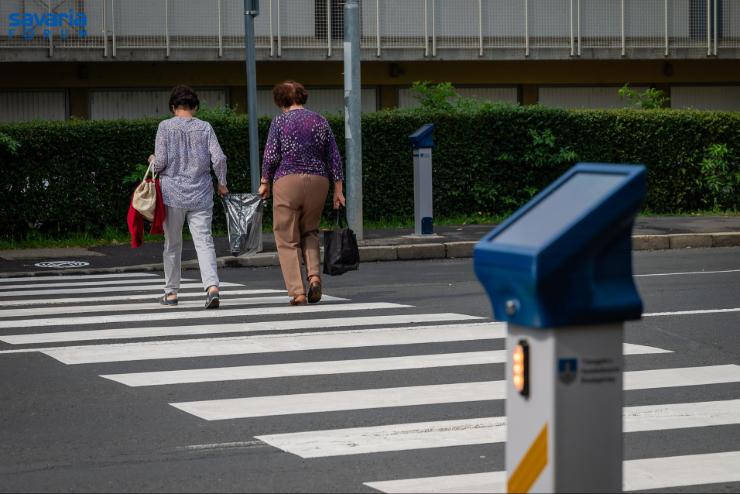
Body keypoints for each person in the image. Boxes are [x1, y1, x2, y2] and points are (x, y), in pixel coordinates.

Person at [260, 80, 346, 306]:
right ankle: (315, 277)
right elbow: (334, 157)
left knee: (287, 237)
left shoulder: (279, 122)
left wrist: (264, 182)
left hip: (288, 180)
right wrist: (339, 189)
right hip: (319, 181)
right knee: (310, 231)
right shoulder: (320, 120)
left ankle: (297, 292)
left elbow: (271, 155)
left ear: (281, 100)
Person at [148, 85, 228, 309]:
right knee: (204, 242)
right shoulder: (205, 128)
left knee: (172, 244)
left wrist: (152, 160)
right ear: (195, 107)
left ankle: (171, 293)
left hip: (172, 193)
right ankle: (212, 287)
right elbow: (219, 158)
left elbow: (160, 163)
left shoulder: (165, 127)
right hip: (201, 193)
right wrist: (222, 183)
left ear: (173, 107)